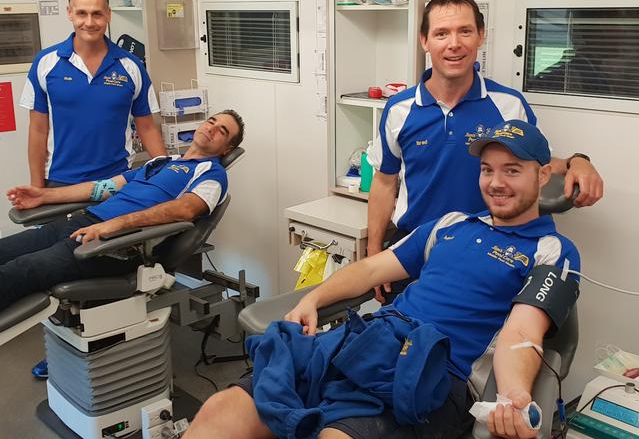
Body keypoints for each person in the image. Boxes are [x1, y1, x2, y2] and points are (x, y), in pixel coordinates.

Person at [184, 120, 581, 439]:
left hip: (430, 373)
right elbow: (372, 268)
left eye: (512, 170)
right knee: (222, 410)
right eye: (487, 169)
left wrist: (513, 396)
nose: (496, 183)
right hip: (362, 342)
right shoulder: (450, 224)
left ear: (543, 174)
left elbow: (522, 333)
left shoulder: (553, 251)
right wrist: (313, 300)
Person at [365, 0, 602, 303]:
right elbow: (383, 184)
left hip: (487, 257)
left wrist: (578, 161)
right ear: (425, 41)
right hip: (412, 255)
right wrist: (372, 254)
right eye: (441, 33)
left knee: (473, 348)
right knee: (401, 341)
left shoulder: (508, 105)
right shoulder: (398, 109)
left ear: (480, 36)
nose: (454, 43)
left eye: (465, 31)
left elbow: (537, 166)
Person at [1, 111, 244, 312]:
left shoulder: (212, 175)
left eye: (222, 130)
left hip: (115, 246)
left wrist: (115, 225)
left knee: (20, 269)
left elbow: (185, 210)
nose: (212, 128)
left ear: (227, 148)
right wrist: (43, 195)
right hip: (82, 224)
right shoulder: (161, 162)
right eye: (211, 121)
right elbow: (101, 188)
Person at [19, 0, 166, 189]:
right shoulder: (45, 63)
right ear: (70, 13)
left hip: (116, 181)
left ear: (108, 15)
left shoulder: (131, 66)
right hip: (60, 181)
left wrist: (167, 175)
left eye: (97, 14)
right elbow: (37, 130)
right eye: (82, 13)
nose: (89, 22)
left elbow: (147, 128)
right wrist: (37, 188)